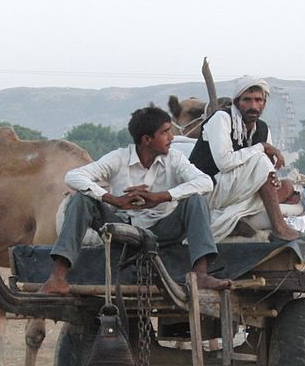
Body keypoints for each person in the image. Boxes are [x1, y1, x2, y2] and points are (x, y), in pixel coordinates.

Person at [40, 104, 231, 295]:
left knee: (196, 200)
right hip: (122, 230)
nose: (171, 138)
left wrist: (162, 197)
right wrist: (113, 199)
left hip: (162, 231)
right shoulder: (118, 158)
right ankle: (57, 276)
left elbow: (205, 182)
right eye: (165, 132)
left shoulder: (175, 159)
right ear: (147, 139)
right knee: (81, 199)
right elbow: (73, 177)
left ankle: (201, 274)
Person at [189, 76, 305, 243]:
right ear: (237, 101)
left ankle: (238, 219)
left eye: (258, 100)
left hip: (236, 188)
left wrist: (273, 178)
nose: (253, 106)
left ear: (264, 103)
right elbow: (224, 163)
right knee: (260, 160)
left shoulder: (262, 128)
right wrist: (261, 148)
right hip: (209, 189)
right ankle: (280, 229)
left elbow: (269, 168)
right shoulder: (221, 118)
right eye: (247, 100)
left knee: (287, 185)